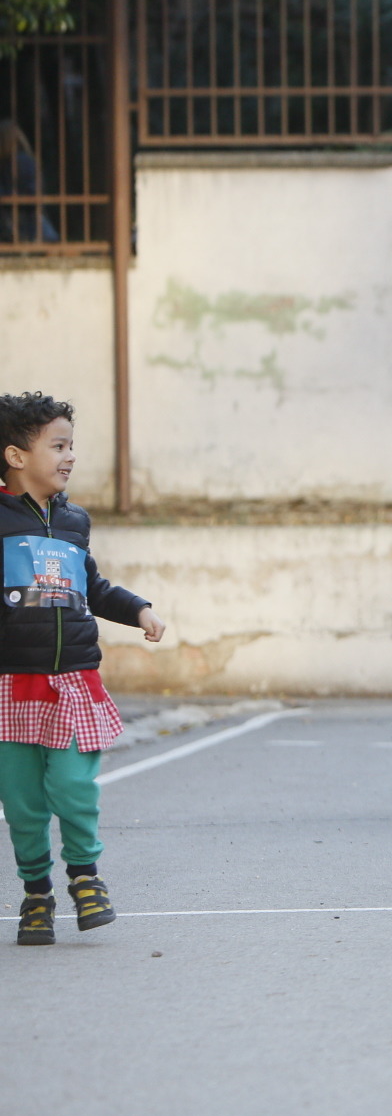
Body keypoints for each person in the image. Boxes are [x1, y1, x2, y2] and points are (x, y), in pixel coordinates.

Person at [0, 392, 165, 945]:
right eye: (58, 446)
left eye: (72, 446)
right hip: (10, 684)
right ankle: (36, 894)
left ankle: (85, 877)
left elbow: (92, 586)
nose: (70, 456)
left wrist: (138, 609)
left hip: (73, 679)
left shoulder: (74, 521)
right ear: (16, 456)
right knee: (22, 804)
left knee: (74, 787)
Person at [0, 122, 59, 245]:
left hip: (16, 216)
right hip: (27, 215)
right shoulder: (26, 160)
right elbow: (36, 190)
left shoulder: (18, 161)